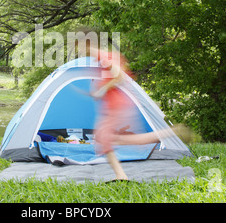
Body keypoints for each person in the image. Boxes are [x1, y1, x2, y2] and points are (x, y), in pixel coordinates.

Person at [76, 28, 191, 181]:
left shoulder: (103, 56)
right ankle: (122, 174)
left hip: (116, 108)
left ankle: (172, 132)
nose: (79, 49)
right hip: (116, 107)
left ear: (86, 43)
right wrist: (98, 89)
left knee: (109, 139)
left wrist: (102, 89)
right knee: (110, 139)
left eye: (78, 45)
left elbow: (118, 76)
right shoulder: (102, 58)